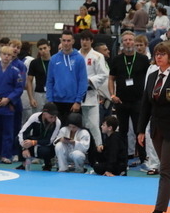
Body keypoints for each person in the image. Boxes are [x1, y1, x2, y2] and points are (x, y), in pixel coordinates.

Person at [137, 43, 170, 213]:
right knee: (167, 170)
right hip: (156, 128)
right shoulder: (152, 77)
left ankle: (158, 210)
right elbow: (145, 105)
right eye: (157, 53)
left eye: (163, 54)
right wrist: (141, 130)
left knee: (164, 170)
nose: (159, 57)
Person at [109, 31, 150, 164]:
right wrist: (112, 95)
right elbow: (111, 79)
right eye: (125, 40)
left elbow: (149, 78)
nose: (128, 42)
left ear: (134, 42)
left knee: (140, 130)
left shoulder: (143, 59)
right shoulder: (116, 59)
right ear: (122, 43)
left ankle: (143, 158)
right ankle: (123, 158)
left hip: (139, 101)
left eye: (130, 40)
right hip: (121, 101)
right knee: (123, 131)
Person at [0, 46, 24, 164]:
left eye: (9, 55)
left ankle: (6, 155)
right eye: (4, 54)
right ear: (0, 55)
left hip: (7, 106)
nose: (6, 57)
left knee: (8, 132)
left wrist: (9, 99)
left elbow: (19, 88)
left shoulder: (15, 71)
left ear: (12, 56)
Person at [46, 30, 88, 126]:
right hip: (56, 102)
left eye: (68, 41)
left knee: (73, 131)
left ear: (73, 41)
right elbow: (50, 81)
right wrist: (50, 100)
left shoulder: (79, 59)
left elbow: (83, 81)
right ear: (61, 41)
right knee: (56, 130)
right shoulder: (54, 59)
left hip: (73, 102)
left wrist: (78, 101)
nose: (66, 43)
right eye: (64, 40)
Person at [78, 30, 109, 159]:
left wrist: (89, 80)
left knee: (94, 126)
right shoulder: (75, 55)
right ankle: (80, 153)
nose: (84, 42)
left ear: (91, 41)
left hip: (90, 93)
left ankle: (98, 153)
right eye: (83, 39)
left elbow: (104, 74)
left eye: (87, 39)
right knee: (79, 125)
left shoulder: (97, 56)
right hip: (75, 96)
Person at [16, 102, 62, 171]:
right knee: (17, 139)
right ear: (44, 114)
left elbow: (49, 141)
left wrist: (33, 142)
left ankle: (47, 164)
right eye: (51, 117)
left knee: (45, 150)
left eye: (55, 117)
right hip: (33, 141)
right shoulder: (34, 117)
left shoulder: (57, 122)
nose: (53, 120)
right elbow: (22, 133)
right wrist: (24, 148)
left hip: (45, 145)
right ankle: (24, 164)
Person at [27, 39, 51, 113]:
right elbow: (29, 80)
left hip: (52, 93)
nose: (43, 51)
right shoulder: (34, 63)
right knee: (38, 116)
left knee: (51, 115)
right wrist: (31, 98)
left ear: (49, 48)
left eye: (45, 48)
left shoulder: (55, 61)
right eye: (40, 49)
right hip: (39, 94)